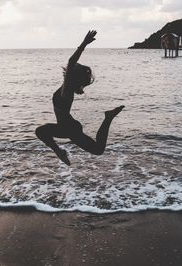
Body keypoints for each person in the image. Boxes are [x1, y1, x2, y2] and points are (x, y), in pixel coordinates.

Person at [35, 30, 124, 165]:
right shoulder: (65, 88)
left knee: (40, 131)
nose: (70, 69)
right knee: (98, 149)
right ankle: (108, 117)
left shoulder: (67, 91)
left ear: (72, 76)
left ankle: (108, 118)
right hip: (68, 126)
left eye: (73, 70)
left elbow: (71, 62)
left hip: (68, 128)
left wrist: (83, 44)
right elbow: (71, 65)